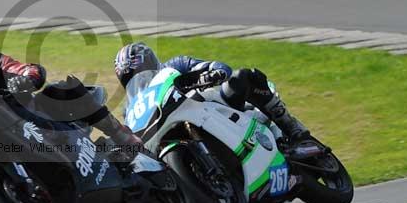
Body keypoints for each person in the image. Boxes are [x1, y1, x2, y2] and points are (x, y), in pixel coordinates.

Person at [0, 27, 142, 147]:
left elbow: (28, 69)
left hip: (32, 116)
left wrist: (25, 79)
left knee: (65, 88)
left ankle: (123, 137)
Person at [114, 42, 311, 145]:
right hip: (173, 132)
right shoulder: (129, 110)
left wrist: (212, 73)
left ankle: (289, 125)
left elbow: (217, 67)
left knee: (241, 77)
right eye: (130, 77)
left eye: (143, 69)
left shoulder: (174, 65)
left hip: (214, 106)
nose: (140, 78)